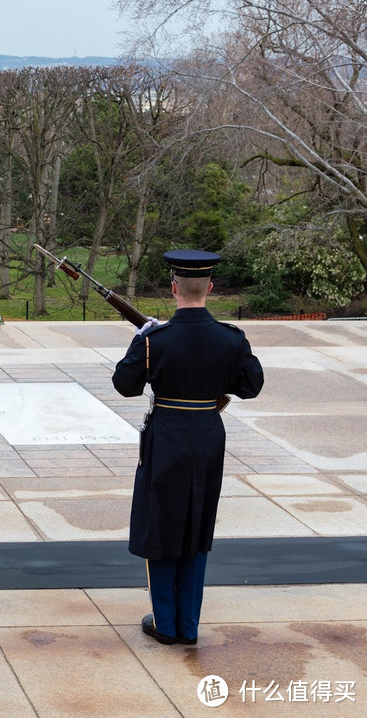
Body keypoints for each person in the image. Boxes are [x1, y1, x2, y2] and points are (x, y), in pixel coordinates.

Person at [112, 249, 264, 646]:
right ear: (210, 288)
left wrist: (140, 342)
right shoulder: (232, 338)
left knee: (161, 520)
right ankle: (189, 625)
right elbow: (251, 386)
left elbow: (124, 385)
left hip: (166, 436)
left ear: (173, 287)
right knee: (198, 521)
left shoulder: (155, 340)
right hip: (208, 436)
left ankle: (166, 622)